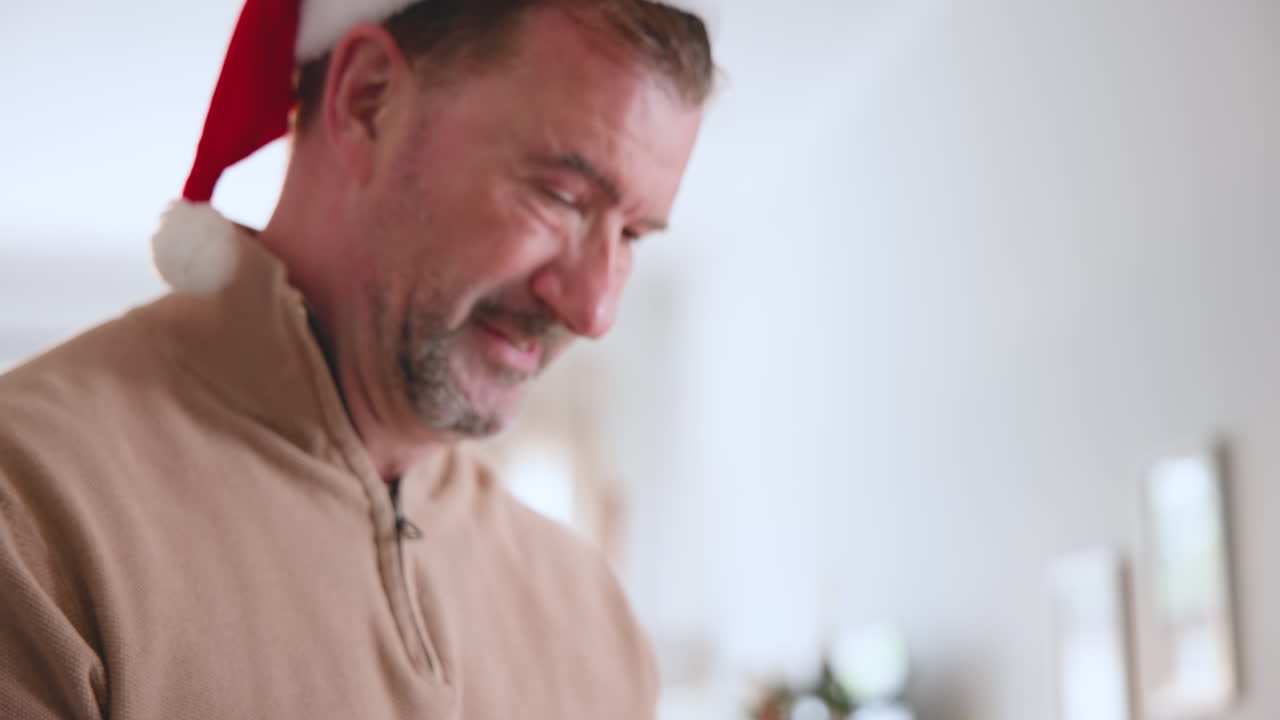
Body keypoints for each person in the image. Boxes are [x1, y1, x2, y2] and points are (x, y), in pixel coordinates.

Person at [0, 0, 717, 717]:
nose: (595, 312)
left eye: (632, 236)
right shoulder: (32, 512)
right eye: (560, 195)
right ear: (367, 102)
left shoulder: (596, 620)